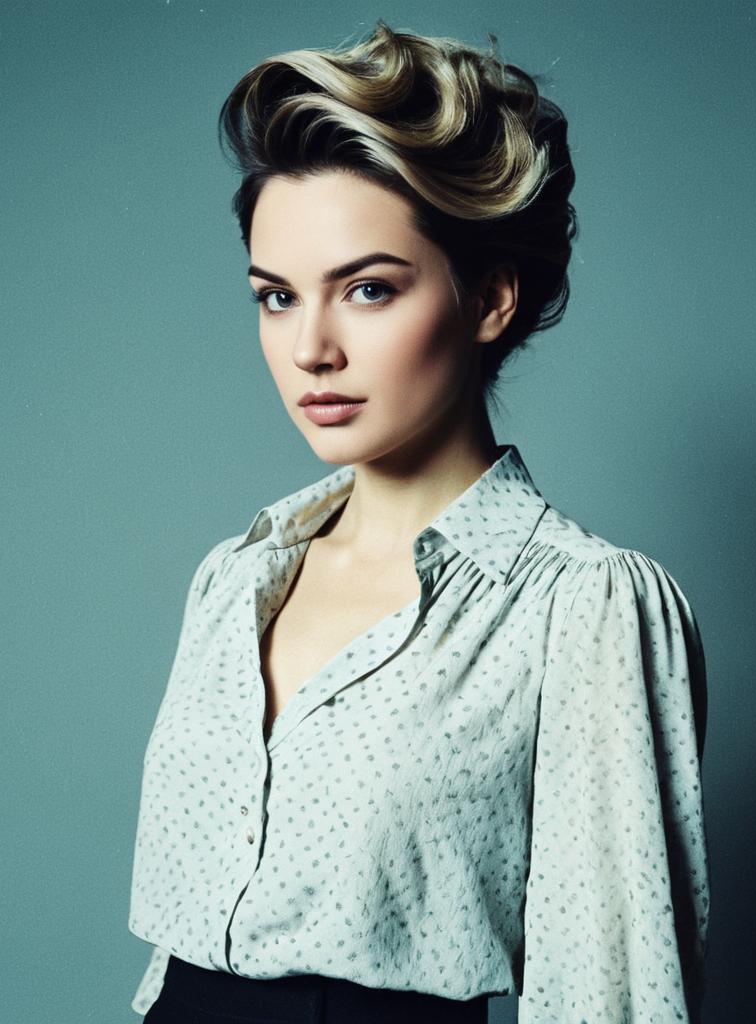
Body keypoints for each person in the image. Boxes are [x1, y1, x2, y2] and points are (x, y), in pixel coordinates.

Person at [128, 20, 709, 1024]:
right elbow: (180, 959)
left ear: (487, 296)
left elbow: (612, 992)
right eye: (275, 296)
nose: (310, 347)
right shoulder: (235, 577)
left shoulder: (582, 606)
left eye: (366, 289)